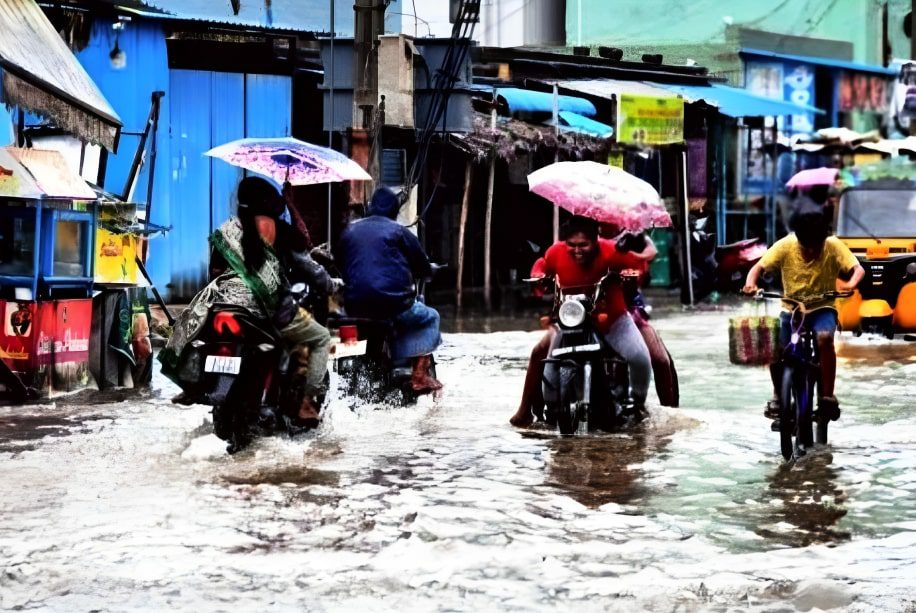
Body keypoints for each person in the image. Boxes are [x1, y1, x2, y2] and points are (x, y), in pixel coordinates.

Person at [163, 177, 334, 426]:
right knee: (321, 338)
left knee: (194, 334)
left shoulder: (227, 231)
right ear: (271, 203)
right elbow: (310, 267)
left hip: (220, 308)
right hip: (269, 314)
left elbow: (215, 273)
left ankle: (194, 385)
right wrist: (329, 284)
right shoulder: (279, 230)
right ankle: (308, 401)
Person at [509, 216, 653, 427]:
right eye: (572, 245)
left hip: (611, 320)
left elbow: (636, 265)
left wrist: (632, 274)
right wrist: (538, 275)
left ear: (595, 241)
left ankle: (637, 403)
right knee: (545, 361)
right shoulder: (555, 252)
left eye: (583, 245)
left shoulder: (612, 250)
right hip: (570, 321)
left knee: (640, 358)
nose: (577, 250)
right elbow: (543, 265)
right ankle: (535, 409)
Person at [742, 201, 864, 423]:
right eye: (805, 247)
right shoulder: (786, 245)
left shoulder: (834, 246)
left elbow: (858, 269)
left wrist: (851, 283)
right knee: (774, 346)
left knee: (825, 339)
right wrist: (751, 283)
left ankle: (827, 396)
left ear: (823, 240)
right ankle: (778, 395)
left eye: (815, 248)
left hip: (823, 307)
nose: (810, 253)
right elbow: (758, 268)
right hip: (791, 308)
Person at [334, 186, 443, 393]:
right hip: (393, 304)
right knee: (431, 317)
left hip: (354, 307)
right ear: (394, 210)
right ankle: (419, 375)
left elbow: (339, 262)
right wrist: (430, 270)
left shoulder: (349, 231)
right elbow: (422, 266)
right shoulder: (399, 231)